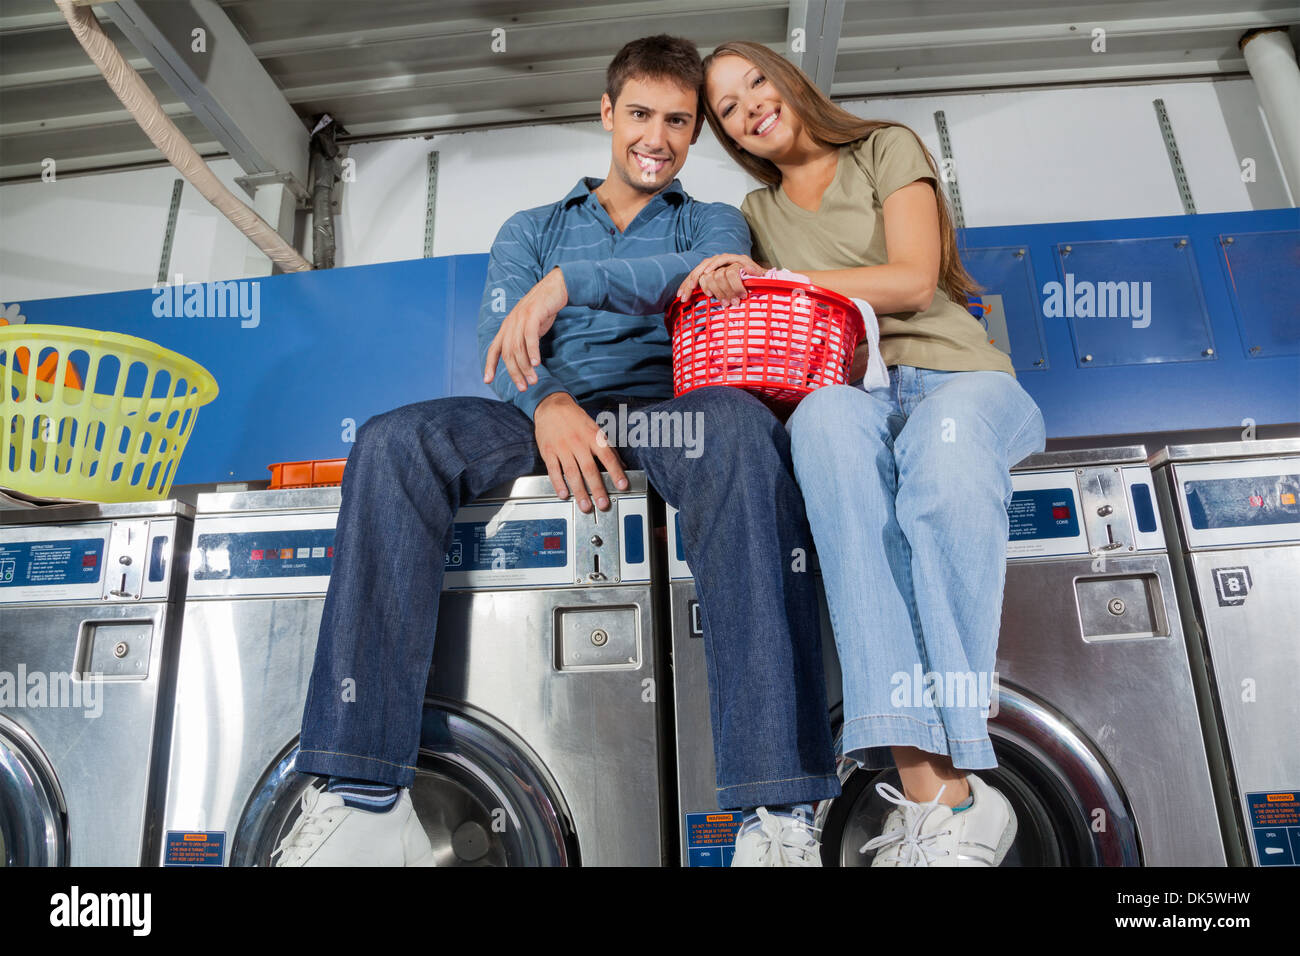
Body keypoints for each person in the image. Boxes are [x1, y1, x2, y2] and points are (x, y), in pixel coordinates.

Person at [273, 34, 839, 868]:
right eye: (640, 114)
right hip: (543, 417)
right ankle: (365, 799)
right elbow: (501, 339)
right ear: (608, 113)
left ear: (693, 134)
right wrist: (550, 404)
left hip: (664, 412)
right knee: (395, 443)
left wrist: (576, 289)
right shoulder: (531, 229)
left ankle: (778, 811)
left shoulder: (712, 220)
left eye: (679, 121)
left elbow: (705, 270)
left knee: (742, 428)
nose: (657, 136)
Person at [679, 40, 1047, 867]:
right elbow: (769, 316)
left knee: (941, 485)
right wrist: (722, 277)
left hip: (954, 381)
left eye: (755, 85)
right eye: (729, 110)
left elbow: (915, 279)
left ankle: (947, 798)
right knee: (825, 449)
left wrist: (783, 278)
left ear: (788, 78)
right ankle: (942, 804)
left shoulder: (885, 146)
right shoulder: (756, 208)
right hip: (852, 390)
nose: (749, 110)